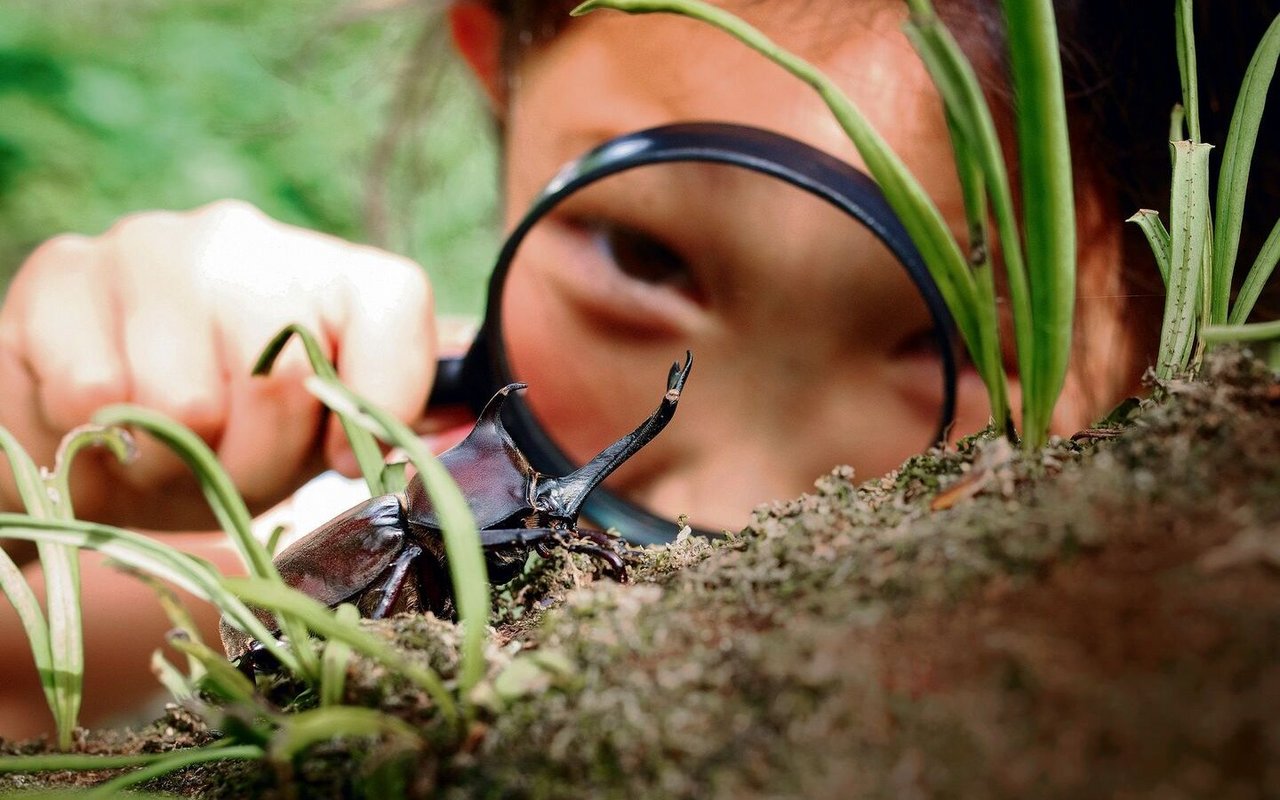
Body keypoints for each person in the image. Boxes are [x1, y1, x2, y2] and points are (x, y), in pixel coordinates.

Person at [0, 0, 1276, 739]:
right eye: (640, 254)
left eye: (944, 338)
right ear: (489, 56)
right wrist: (33, 442)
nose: (742, 479)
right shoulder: (387, 484)